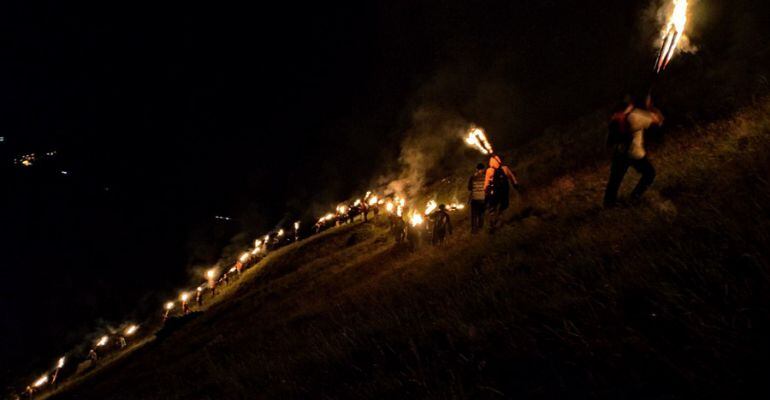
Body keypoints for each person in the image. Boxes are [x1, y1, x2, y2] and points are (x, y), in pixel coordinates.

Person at [603, 94, 664, 207]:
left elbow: (609, 140)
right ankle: (634, 197)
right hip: (634, 153)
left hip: (619, 153)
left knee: (615, 180)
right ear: (631, 104)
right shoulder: (636, 116)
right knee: (649, 174)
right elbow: (659, 121)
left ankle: (609, 204)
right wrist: (650, 107)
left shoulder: (615, 117)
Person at [484, 155, 520, 232]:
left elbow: (486, 183)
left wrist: (485, 191)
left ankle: (492, 224)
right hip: (504, 190)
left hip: (494, 192)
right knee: (503, 206)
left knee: (492, 207)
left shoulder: (489, 170)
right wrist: (516, 184)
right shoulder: (505, 168)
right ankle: (499, 220)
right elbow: (512, 177)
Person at [467, 163, 487, 234]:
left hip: (475, 198)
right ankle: (480, 227)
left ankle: (474, 230)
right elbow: (487, 187)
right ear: (483, 169)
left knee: (474, 215)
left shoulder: (472, 177)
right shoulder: (485, 177)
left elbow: (469, 188)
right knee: (481, 213)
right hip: (483, 198)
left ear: (476, 169)